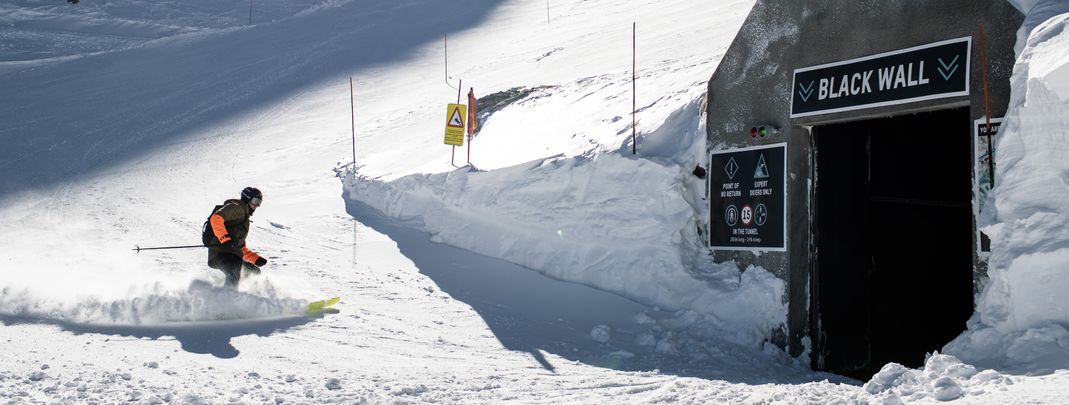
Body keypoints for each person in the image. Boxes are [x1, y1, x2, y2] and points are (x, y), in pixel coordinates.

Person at [202, 187, 268, 287]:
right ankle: (227, 297)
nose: (256, 206)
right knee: (236, 270)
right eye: (255, 201)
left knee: (254, 272)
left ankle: (247, 297)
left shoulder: (243, 218)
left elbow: (240, 247)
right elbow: (216, 218)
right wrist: (224, 239)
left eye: (259, 202)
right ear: (247, 198)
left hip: (230, 256)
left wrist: (255, 258)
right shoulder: (237, 207)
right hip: (220, 254)